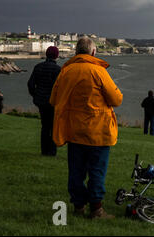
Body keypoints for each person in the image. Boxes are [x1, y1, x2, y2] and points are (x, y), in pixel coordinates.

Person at [50, 37, 123, 219]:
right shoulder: (98, 71)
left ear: (76, 52)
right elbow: (117, 99)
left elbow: (53, 99)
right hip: (98, 131)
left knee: (76, 171)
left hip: (74, 131)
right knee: (97, 170)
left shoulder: (66, 71)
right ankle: (96, 209)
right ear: (93, 52)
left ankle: (78, 207)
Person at [27, 46, 61, 156]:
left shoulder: (38, 67)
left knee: (45, 126)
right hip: (53, 103)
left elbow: (30, 84)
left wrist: (35, 96)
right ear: (57, 56)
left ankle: (44, 151)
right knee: (53, 126)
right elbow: (62, 88)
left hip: (41, 102)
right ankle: (52, 151)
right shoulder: (58, 70)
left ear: (46, 55)